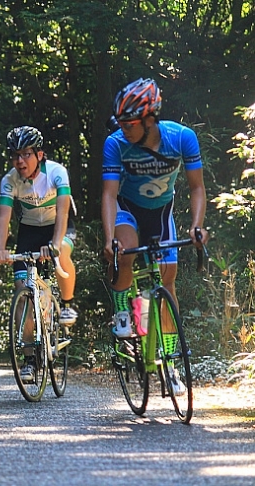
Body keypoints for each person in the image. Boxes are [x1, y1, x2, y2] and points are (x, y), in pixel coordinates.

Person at [102, 78, 209, 376]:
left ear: (149, 119)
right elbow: (109, 194)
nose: (123, 129)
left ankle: (171, 361)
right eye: (120, 123)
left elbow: (197, 188)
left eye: (129, 124)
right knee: (125, 254)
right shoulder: (115, 144)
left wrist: (197, 226)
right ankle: (124, 313)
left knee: (166, 280)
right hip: (127, 211)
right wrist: (110, 238)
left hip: (161, 214)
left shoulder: (182, 138)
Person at [0, 126, 78, 383]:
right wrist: (0, 250)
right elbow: (4, 218)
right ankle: (30, 359)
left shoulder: (57, 173)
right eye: (15, 155)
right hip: (29, 231)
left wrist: (53, 244)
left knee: (62, 252)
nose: (20, 161)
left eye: (26, 154)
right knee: (22, 293)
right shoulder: (9, 181)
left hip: (58, 226)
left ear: (39, 154)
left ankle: (66, 304)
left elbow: (63, 213)